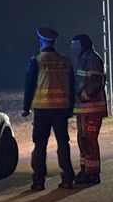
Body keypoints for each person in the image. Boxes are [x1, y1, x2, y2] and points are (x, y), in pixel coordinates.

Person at [22, 27, 75, 191]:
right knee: (63, 144)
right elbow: (72, 87)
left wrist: (26, 108)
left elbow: (29, 86)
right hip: (61, 110)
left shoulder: (37, 61)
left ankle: (39, 182)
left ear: (41, 42)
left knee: (40, 146)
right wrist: (70, 108)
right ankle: (67, 178)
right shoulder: (65, 61)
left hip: (42, 110)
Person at [71, 34, 108, 185]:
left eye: (75, 45)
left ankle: (93, 174)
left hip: (92, 109)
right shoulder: (83, 58)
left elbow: (95, 81)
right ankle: (85, 170)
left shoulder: (92, 59)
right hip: (83, 110)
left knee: (90, 140)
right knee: (83, 139)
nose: (73, 48)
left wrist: (85, 96)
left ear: (82, 45)